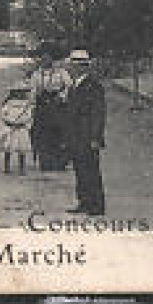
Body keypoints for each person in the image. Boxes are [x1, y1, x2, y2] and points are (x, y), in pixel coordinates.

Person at [64, 49, 106, 216]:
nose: (70, 69)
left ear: (81, 67)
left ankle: (97, 205)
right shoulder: (75, 85)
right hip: (76, 135)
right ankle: (84, 202)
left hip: (87, 135)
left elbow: (98, 114)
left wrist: (95, 137)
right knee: (80, 169)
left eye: (73, 66)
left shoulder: (93, 87)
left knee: (91, 170)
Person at [27, 46, 73, 171]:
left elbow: (70, 87)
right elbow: (32, 91)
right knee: (42, 133)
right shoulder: (36, 74)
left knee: (58, 132)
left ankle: (59, 161)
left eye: (48, 57)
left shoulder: (61, 73)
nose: (45, 60)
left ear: (52, 58)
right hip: (42, 107)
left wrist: (62, 96)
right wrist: (32, 105)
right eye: (42, 57)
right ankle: (45, 161)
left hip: (57, 106)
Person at [0, 85, 34, 175]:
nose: (19, 94)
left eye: (21, 92)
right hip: (11, 127)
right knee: (8, 148)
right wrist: (9, 122)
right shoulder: (8, 103)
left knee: (22, 149)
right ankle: (7, 167)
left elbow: (29, 116)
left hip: (21, 127)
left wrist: (23, 123)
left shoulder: (27, 104)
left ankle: (22, 168)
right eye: (17, 92)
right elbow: (3, 114)